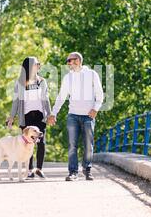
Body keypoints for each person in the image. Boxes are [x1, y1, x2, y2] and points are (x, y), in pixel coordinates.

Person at [47, 52, 104, 181]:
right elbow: (61, 97)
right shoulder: (68, 77)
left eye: (69, 61)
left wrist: (96, 109)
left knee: (88, 144)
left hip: (88, 116)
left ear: (77, 60)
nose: (68, 63)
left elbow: (99, 94)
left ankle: (87, 169)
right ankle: (73, 172)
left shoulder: (92, 74)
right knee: (72, 145)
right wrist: (53, 113)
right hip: (73, 115)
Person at [7, 57, 51, 179]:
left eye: (39, 64)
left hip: (40, 116)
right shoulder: (20, 83)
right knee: (27, 143)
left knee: (41, 142)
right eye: (36, 64)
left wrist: (50, 114)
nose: (39, 66)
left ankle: (39, 169)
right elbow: (16, 102)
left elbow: (46, 100)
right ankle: (30, 170)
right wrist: (11, 117)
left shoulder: (42, 81)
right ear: (29, 67)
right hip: (26, 117)